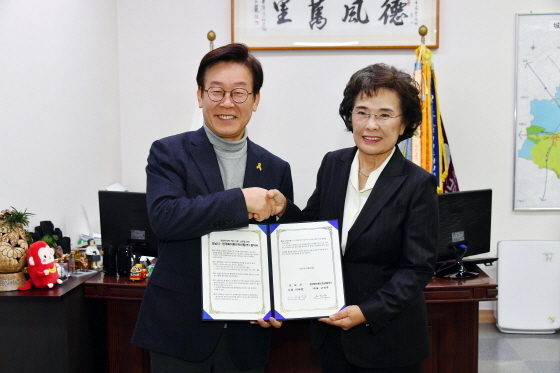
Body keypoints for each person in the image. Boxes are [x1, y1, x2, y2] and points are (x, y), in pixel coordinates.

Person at [132, 43, 293, 373]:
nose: (227, 103)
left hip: (247, 335)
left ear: (256, 99)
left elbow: (280, 251)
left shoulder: (276, 168)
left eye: (239, 93)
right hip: (179, 331)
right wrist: (239, 200)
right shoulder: (168, 153)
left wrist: (277, 302)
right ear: (200, 95)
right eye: (216, 92)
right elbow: (165, 218)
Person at [269, 63, 438, 373]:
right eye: (362, 112)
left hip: (388, 338)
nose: (371, 124)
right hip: (332, 331)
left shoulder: (417, 183)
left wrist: (368, 311)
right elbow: (313, 229)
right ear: (350, 116)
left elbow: (417, 268)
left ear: (404, 125)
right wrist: (283, 209)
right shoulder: (334, 163)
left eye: (385, 115)